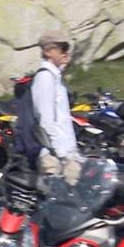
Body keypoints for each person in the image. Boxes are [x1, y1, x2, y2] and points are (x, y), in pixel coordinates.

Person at [32, 32, 81, 183]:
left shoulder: (54, 77)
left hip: (65, 153)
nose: (66, 52)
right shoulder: (45, 78)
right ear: (48, 52)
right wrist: (61, 155)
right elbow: (46, 120)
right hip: (56, 157)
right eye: (62, 48)